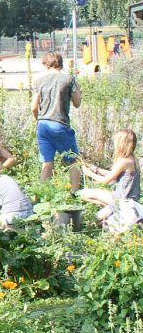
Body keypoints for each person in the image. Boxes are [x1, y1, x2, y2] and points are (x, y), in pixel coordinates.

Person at [32, 51, 81, 192]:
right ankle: (74, 193)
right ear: (60, 63)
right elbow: (77, 103)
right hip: (60, 124)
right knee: (73, 161)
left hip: (43, 125)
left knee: (47, 163)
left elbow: (33, 107)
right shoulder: (68, 80)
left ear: (45, 64)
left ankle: (42, 194)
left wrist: (37, 119)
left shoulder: (39, 81)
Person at [80, 129, 142, 231]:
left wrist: (89, 173)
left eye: (116, 142)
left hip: (122, 200)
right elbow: (114, 174)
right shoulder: (133, 159)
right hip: (129, 200)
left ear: (122, 143)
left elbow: (106, 181)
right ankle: (113, 212)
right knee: (96, 218)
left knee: (84, 193)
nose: (115, 145)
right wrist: (96, 169)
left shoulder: (124, 161)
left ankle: (116, 212)